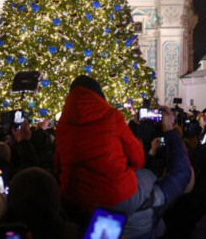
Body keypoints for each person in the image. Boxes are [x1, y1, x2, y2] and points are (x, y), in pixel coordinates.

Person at [54, 75, 145, 214]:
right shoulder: (112, 117)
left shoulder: (62, 126)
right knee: (148, 179)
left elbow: (57, 166)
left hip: (76, 201)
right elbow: (138, 159)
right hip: (115, 196)